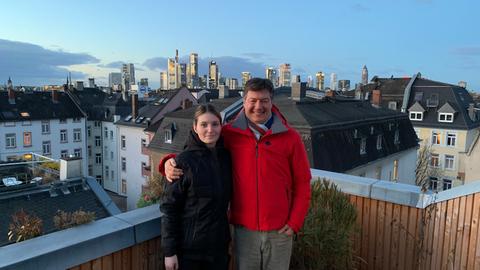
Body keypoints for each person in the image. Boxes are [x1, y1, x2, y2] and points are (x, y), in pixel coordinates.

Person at [160, 78, 311, 270]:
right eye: (253, 100)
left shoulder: (291, 138)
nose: (258, 106)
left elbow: (303, 183)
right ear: (244, 101)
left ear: (272, 102)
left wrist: (295, 221)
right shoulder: (230, 133)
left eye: (264, 100)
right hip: (243, 231)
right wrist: (169, 161)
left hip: (280, 231)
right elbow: (200, 148)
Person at [160, 104, 232, 270]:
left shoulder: (226, 158)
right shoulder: (182, 163)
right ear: (194, 127)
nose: (210, 129)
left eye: (215, 124)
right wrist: (169, 252)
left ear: (221, 126)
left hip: (218, 249)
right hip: (189, 252)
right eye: (204, 124)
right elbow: (169, 209)